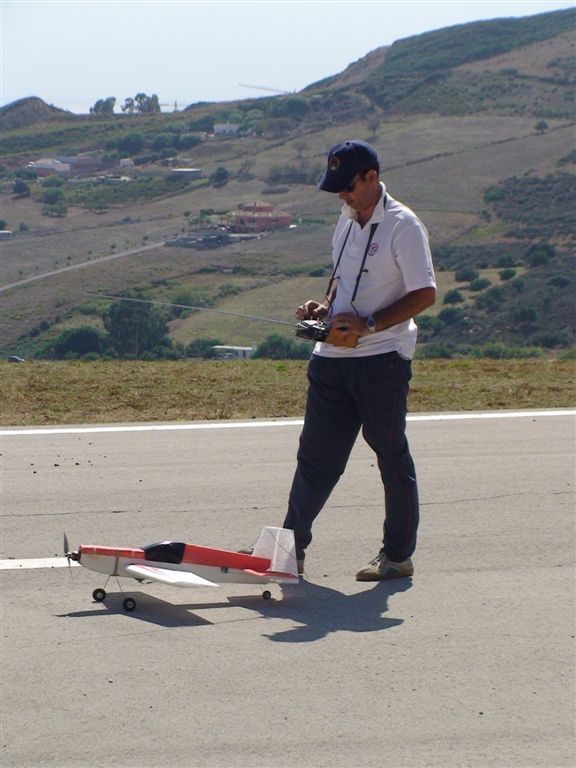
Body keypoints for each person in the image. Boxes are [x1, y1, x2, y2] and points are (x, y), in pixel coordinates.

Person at [283, 140, 436, 580]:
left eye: (347, 187)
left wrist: (370, 324)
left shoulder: (404, 226)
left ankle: (397, 556)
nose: (342, 196)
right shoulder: (346, 219)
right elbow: (344, 285)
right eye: (336, 188)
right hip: (331, 355)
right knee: (315, 457)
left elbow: (425, 293)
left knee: (390, 455)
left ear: (372, 177)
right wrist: (323, 310)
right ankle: (290, 549)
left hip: (382, 359)